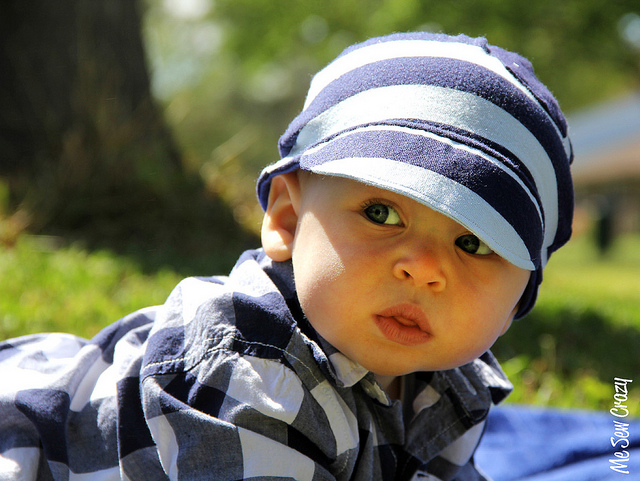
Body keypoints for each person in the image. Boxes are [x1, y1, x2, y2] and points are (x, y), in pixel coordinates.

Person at [0, 32, 574, 480]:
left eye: (472, 243)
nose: (423, 268)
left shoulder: (451, 385)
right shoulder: (251, 371)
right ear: (288, 219)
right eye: (381, 213)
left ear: (519, 297)